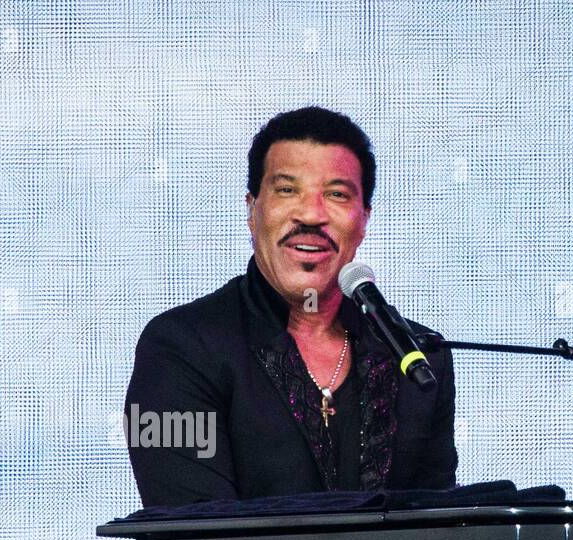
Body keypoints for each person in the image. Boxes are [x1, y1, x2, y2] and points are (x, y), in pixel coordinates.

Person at [124, 106, 458, 507]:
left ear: (364, 219)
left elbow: (441, 535)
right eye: (287, 190)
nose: (311, 214)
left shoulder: (419, 358)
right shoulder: (179, 348)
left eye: (336, 194)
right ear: (251, 209)